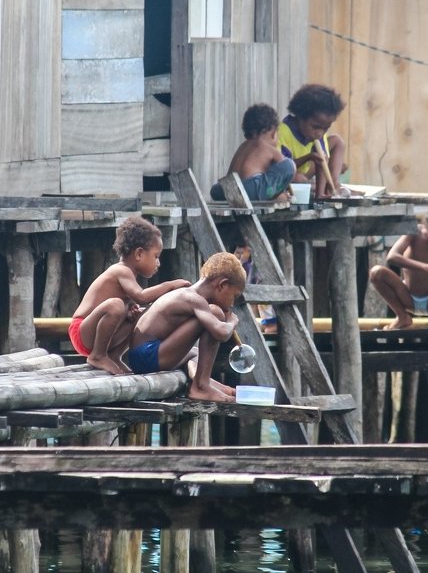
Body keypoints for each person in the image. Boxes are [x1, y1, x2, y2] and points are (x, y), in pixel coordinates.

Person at [67, 216, 190, 375]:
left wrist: (130, 310)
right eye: (156, 256)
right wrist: (170, 285)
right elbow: (141, 296)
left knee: (139, 313)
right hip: (81, 331)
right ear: (139, 254)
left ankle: (114, 355)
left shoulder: (129, 275)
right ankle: (98, 356)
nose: (158, 263)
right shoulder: (121, 271)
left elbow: (135, 303)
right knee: (115, 305)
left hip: (94, 334)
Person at [127, 250, 247, 403]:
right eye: (234, 296)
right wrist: (232, 321)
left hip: (143, 356)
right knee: (216, 313)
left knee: (196, 353)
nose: (232, 303)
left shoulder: (189, 296)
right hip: (147, 356)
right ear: (222, 285)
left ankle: (207, 383)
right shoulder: (193, 299)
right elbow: (221, 333)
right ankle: (201, 386)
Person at [210, 103, 295, 204]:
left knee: (218, 189)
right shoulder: (267, 148)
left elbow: (231, 176)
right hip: (249, 190)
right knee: (289, 165)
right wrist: (279, 193)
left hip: (227, 190)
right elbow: (284, 166)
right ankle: (276, 197)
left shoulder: (243, 146)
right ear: (273, 133)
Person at [277, 83, 347, 198]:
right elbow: (282, 168)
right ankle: (312, 186)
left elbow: (322, 164)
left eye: (325, 128)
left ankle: (332, 187)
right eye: (315, 127)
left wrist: (320, 194)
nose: (320, 133)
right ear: (300, 117)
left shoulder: (318, 134)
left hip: (306, 171)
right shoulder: (282, 133)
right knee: (299, 178)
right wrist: (308, 157)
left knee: (337, 141)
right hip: (287, 176)